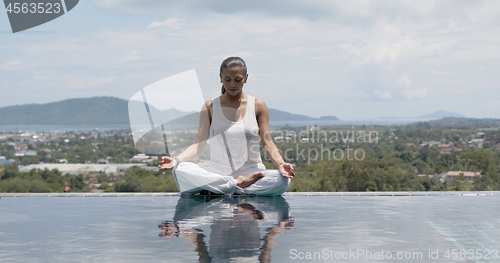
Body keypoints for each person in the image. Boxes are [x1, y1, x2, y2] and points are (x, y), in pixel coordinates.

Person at [158, 56, 294, 196]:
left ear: (246, 78)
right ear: (220, 78)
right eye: (227, 79)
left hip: (252, 172)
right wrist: (175, 160)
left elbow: (268, 143)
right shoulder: (210, 106)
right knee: (180, 169)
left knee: (282, 180)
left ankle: (220, 188)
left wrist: (281, 164)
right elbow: (198, 144)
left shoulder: (257, 106)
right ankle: (236, 185)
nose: (232, 85)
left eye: (238, 79)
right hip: (218, 172)